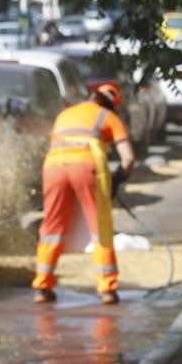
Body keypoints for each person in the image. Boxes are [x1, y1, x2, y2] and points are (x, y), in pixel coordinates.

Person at [33, 81, 135, 305]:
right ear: (113, 105)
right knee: (100, 229)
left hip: (54, 166)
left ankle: (42, 286)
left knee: (52, 228)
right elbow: (128, 158)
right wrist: (118, 178)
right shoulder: (109, 117)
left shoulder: (65, 115)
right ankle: (107, 289)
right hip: (87, 166)